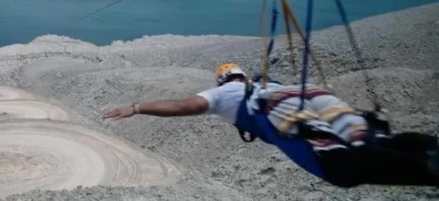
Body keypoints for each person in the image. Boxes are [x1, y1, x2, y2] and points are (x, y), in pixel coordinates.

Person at [103, 63, 439, 188]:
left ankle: (429, 166)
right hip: (314, 97)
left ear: (222, 79)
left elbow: (184, 106)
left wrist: (136, 108)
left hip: (283, 110)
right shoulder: (268, 81)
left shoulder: (225, 93)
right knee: (371, 139)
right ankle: (426, 146)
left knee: (341, 167)